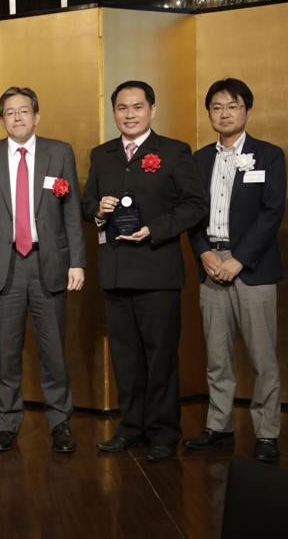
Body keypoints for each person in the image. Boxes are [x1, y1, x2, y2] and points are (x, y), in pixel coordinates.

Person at [81, 81, 208, 462]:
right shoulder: (102, 154)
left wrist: (156, 228)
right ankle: (131, 426)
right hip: (116, 271)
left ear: (153, 109)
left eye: (137, 107)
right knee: (125, 357)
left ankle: (164, 431)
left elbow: (195, 205)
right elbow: (87, 203)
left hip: (157, 270)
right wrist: (98, 210)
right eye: (122, 108)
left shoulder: (173, 151)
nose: (130, 114)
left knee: (160, 356)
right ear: (113, 112)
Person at [0, 86, 86, 453]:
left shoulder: (59, 152)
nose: (17, 117)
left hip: (48, 262)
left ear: (36, 116)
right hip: (3, 264)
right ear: (1, 119)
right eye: (10, 112)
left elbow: (71, 212)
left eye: (24, 111)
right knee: (6, 352)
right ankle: (6, 422)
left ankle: (60, 422)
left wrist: (77, 261)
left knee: (54, 351)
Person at [182, 78, 286, 463]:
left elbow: (272, 212)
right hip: (211, 265)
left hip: (252, 268)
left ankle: (267, 433)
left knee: (262, 358)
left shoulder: (268, 155)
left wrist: (238, 259)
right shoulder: (198, 160)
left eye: (233, 105)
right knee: (217, 355)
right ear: (209, 113)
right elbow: (191, 213)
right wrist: (203, 253)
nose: (224, 113)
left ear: (247, 110)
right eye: (216, 107)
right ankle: (219, 426)